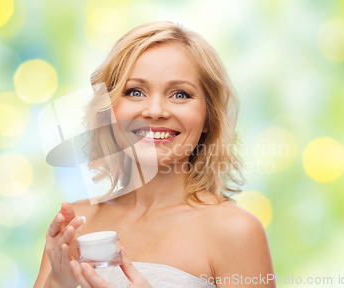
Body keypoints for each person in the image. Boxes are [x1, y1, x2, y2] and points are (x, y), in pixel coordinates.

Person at [34, 21, 275, 288]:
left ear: (208, 116)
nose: (155, 110)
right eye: (135, 92)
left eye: (180, 94)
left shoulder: (235, 231)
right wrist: (57, 282)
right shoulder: (77, 224)